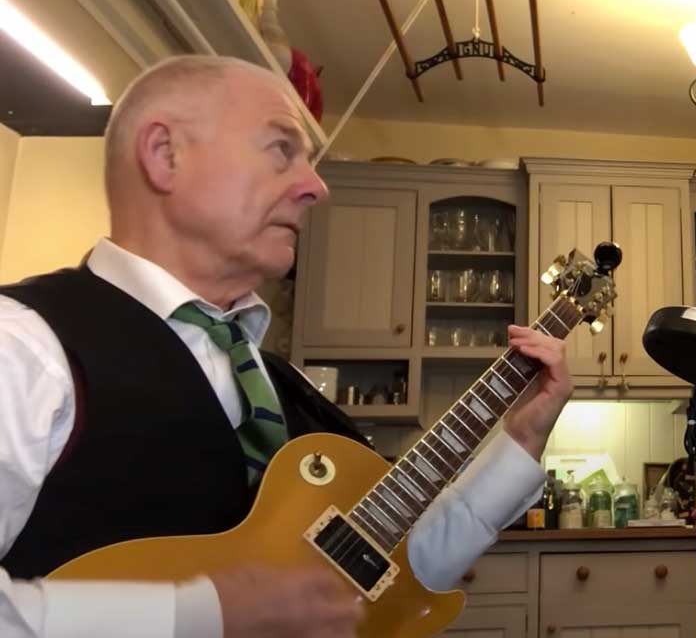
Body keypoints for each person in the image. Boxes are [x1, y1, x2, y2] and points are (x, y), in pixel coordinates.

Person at [0, 55, 573, 638]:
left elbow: (373, 581)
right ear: (165, 154)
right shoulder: (25, 346)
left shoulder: (281, 387)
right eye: (281, 149)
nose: (316, 187)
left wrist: (522, 440)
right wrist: (207, 615)